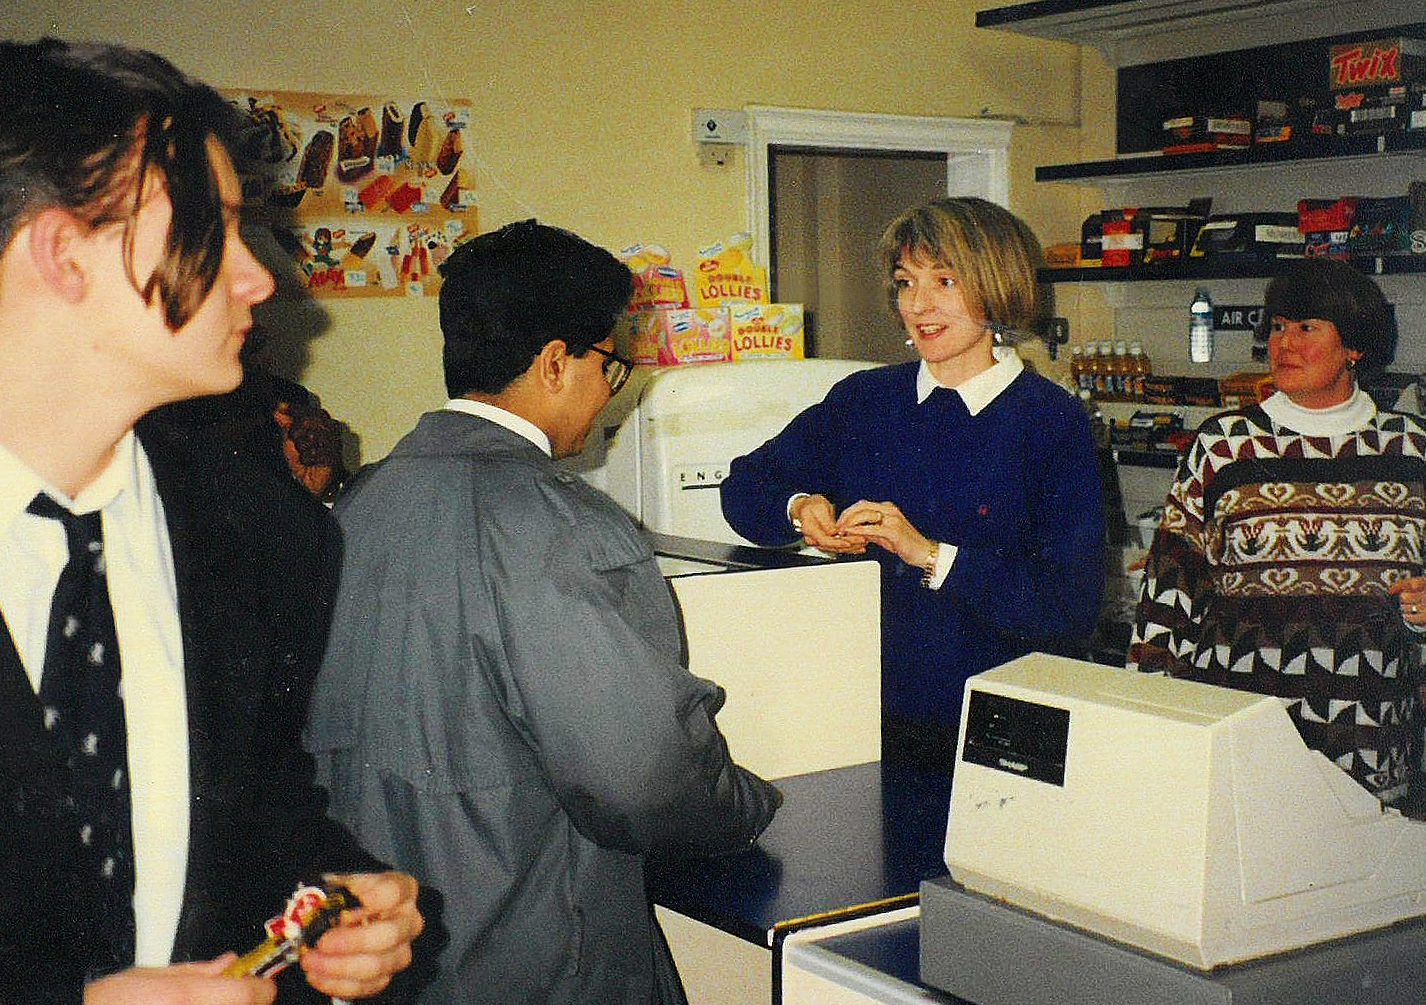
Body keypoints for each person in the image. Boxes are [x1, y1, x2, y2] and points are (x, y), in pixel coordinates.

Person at [0, 39, 423, 1004]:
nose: (259, 278)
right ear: (62, 253)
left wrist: (334, 900)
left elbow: (260, 817)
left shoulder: (266, 531)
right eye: (216, 228)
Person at [304, 219, 783, 1005]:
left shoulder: (360, 504)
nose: (609, 392)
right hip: (538, 956)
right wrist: (746, 805)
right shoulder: (566, 529)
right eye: (611, 366)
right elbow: (643, 776)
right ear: (557, 362)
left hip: (394, 957)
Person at [719, 197, 1106, 766]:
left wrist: (929, 554)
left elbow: (1067, 608)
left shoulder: (1052, 424)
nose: (918, 304)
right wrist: (802, 509)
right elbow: (744, 487)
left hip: (997, 725)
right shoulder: (865, 400)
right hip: (854, 716)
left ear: (997, 289)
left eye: (944, 281)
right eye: (906, 282)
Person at [1129, 257, 1426, 805]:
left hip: (1372, 740)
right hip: (1244, 734)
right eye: (1278, 326)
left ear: (1354, 347)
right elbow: (1167, 596)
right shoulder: (1224, 447)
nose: (1284, 343)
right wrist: (1150, 719)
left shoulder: (1411, 449)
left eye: (1307, 328)